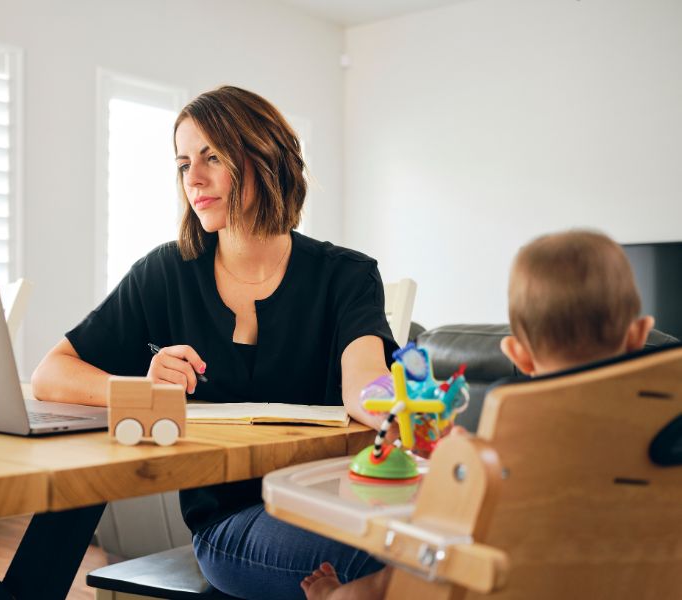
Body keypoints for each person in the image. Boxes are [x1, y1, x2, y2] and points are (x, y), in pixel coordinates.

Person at [32, 85, 399, 599]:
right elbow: (51, 373)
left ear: (263, 158)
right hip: (232, 526)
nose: (194, 179)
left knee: (428, 542)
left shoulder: (347, 275)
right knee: (395, 557)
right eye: (184, 164)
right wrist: (141, 386)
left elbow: (366, 380)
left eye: (213, 157)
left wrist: (415, 420)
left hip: (334, 502)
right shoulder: (166, 272)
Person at [300, 229, 654, 600]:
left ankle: (338, 596)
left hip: (506, 581)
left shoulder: (512, 421)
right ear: (640, 334)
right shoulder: (658, 422)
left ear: (518, 354)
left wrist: (454, 451)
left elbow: (462, 495)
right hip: (622, 578)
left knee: (399, 570)